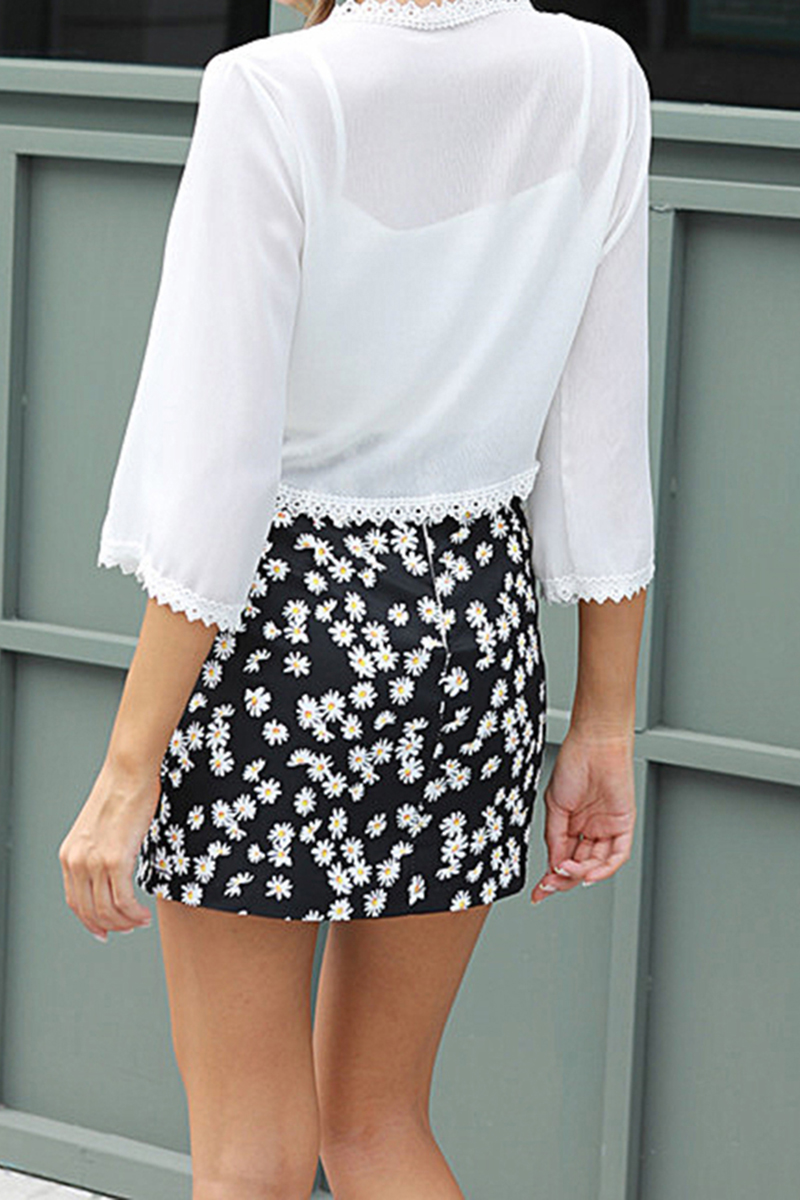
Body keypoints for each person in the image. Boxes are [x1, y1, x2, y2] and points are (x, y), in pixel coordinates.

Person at [58, 0, 655, 1195]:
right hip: (476, 629)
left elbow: (219, 471)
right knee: (376, 1125)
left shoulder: (269, 92)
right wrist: (603, 721)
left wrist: (129, 772)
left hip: (282, 635)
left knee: (249, 1161)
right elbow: (599, 427)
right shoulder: (597, 76)